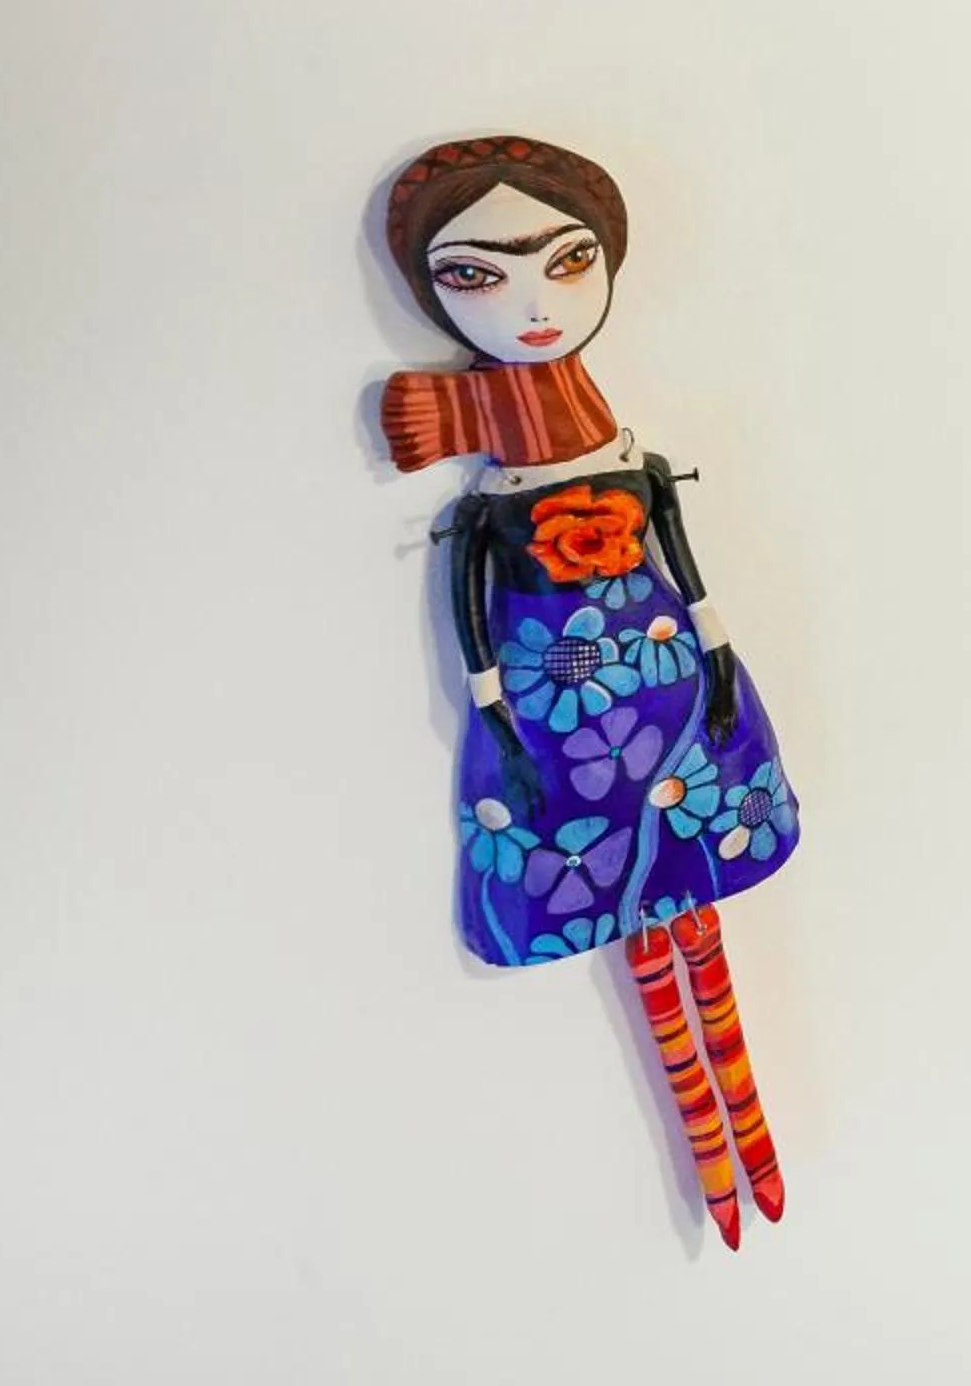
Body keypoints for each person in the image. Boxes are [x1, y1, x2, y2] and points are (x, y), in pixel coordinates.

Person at [377, 134, 795, 1250]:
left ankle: (747, 1138)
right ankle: (721, 1147)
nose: (531, 306)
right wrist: (494, 711)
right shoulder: (489, 498)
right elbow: (474, 616)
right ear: (435, 286)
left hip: (664, 680)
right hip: (557, 718)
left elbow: (682, 557)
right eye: (477, 274)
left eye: (566, 261)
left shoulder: (628, 454)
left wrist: (711, 653)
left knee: (690, 894)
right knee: (639, 913)